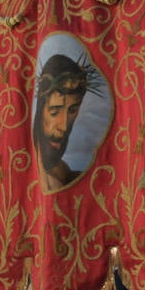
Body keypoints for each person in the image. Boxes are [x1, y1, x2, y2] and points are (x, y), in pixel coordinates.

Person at [33, 52, 97, 190]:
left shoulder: (66, 175)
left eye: (72, 110)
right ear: (40, 110)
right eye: (54, 112)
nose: (63, 126)